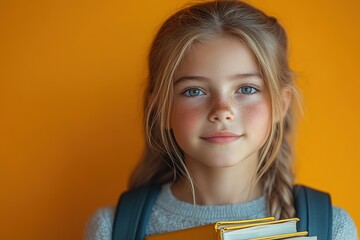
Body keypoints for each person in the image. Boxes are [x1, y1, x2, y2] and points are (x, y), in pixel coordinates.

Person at [85, 0, 358, 239]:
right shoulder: (109, 229)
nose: (222, 110)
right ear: (162, 109)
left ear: (280, 104)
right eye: (194, 91)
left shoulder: (332, 229)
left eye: (246, 89)